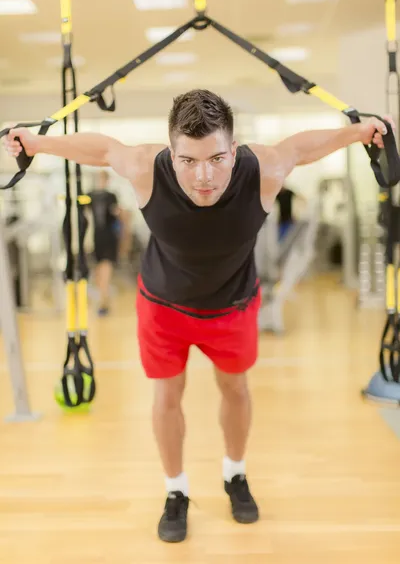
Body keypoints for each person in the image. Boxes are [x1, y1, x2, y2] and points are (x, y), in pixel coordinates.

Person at [2, 89, 391, 543]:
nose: (203, 176)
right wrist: (37, 143)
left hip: (233, 306)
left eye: (217, 158)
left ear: (234, 148)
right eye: (188, 161)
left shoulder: (261, 169)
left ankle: (235, 474)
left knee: (236, 387)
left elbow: (301, 148)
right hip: (163, 306)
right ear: (171, 152)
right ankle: (176, 490)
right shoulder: (148, 168)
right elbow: (104, 149)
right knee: (167, 396)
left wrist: (360, 132)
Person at [88, 170, 121, 316]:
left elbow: (116, 214)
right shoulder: (89, 196)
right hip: (95, 237)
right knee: (98, 267)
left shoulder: (111, 196)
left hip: (109, 236)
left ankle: (103, 299)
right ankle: (102, 296)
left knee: (106, 265)